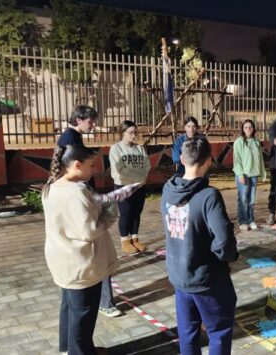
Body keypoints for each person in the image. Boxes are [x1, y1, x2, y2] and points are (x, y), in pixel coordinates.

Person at [161, 136, 239, 355]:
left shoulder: (168, 190)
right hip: (206, 280)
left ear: (182, 160)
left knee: (187, 333)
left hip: (180, 276)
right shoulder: (208, 196)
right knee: (219, 332)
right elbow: (224, 241)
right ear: (208, 161)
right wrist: (227, 256)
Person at [42, 144, 117, 354]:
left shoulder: (52, 185)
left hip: (64, 261)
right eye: (91, 165)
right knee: (83, 314)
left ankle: (69, 348)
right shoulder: (76, 193)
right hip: (81, 264)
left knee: (69, 308)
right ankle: (81, 351)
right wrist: (110, 211)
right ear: (76, 165)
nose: (94, 169)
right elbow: (89, 230)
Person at [56, 105, 120, 318]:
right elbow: (91, 230)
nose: (93, 124)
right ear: (79, 118)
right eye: (90, 120)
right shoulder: (69, 139)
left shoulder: (72, 138)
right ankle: (105, 302)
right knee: (97, 253)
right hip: (82, 258)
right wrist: (108, 208)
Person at [109, 121, 151, 254]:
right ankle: (125, 241)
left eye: (135, 133)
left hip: (139, 187)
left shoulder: (139, 148)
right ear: (123, 133)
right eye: (131, 132)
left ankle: (135, 238)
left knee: (136, 213)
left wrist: (142, 179)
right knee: (126, 214)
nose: (134, 135)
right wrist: (138, 178)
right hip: (124, 186)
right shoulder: (116, 149)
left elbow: (147, 165)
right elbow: (120, 169)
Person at [232, 119, 266, 231]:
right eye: (246, 127)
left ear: (254, 129)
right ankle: (243, 221)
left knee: (251, 199)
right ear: (242, 128)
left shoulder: (256, 142)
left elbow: (260, 159)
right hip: (243, 175)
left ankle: (251, 220)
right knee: (243, 199)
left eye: (250, 127)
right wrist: (240, 174)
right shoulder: (239, 142)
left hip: (254, 174)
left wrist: (263, 173)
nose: (248, 129)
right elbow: (237, 160)